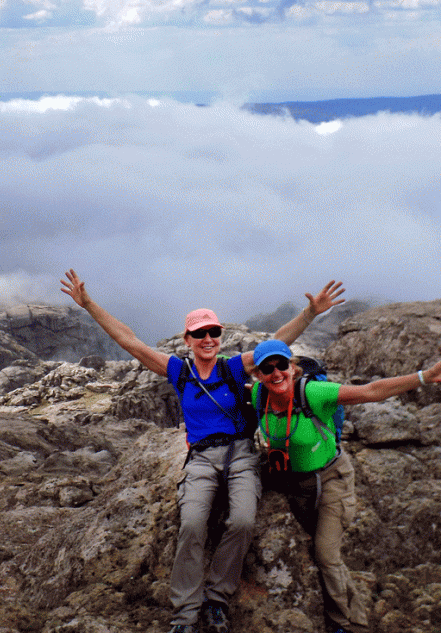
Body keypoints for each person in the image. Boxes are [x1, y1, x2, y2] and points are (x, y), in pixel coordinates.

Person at [60, 270, 346, 633]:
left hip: (241, 453)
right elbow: (130, 342)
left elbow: (274, 345)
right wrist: (88, 305)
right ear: (188, 339)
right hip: (202, 457)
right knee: (192, 524)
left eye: (213, 332)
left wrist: (310, 314)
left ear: (219, 335)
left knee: (242, 520)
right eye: (200, 334)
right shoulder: (178, 371)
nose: (208, 339)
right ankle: (184, 613)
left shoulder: (231, 367)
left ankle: (217, 600)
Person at [250, 339, 441, 633]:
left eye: (282, 365)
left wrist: (423, 377)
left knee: (325, 553)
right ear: (258, 374)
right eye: (267, 368)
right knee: (323, 554)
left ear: (293, 367)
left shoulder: (313, 393)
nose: (276, 373)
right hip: (295, 483)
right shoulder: (259, 397)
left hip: (331, 479)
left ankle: (350, 624)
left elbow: (371, 391)